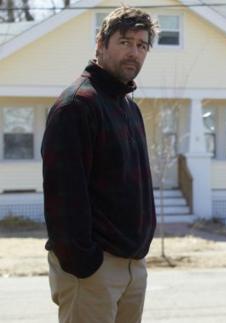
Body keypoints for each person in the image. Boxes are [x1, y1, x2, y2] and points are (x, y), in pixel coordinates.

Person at [41, 6, 158, 323]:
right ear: (101, 44)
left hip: (133, 266)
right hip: (93, 270)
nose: (133, 52)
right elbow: (62, 194)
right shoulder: (77, 104)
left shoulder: (127, 107)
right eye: (124, 42)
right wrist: (83, 261)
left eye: (141, 44)